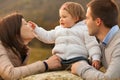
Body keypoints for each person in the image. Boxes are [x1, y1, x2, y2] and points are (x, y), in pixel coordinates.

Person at [29, 2, 101, 70]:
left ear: (76, 18)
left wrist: (96, 58)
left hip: (78, 58)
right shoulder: (58, 29)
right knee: (49, 62)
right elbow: (47, 36)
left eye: (64, 17)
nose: (61, 19)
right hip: (59, 58)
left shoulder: (84, 29)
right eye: (60, 17)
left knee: (82, 67)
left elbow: (92, 45)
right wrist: (36, 29)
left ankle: (93, 75)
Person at [0, 12, 61, 80]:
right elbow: (10, 74)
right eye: (26, 24)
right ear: (15, 31)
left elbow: (21, 73)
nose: (30, 25)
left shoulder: (23, 51)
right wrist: (45, 64)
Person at [71, 0, 120, 80]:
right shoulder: (104, 44)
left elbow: (109, 78)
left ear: (98, 22)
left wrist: (81, 69)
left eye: (87, 18)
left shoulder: (118, 45)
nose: (84, 22)